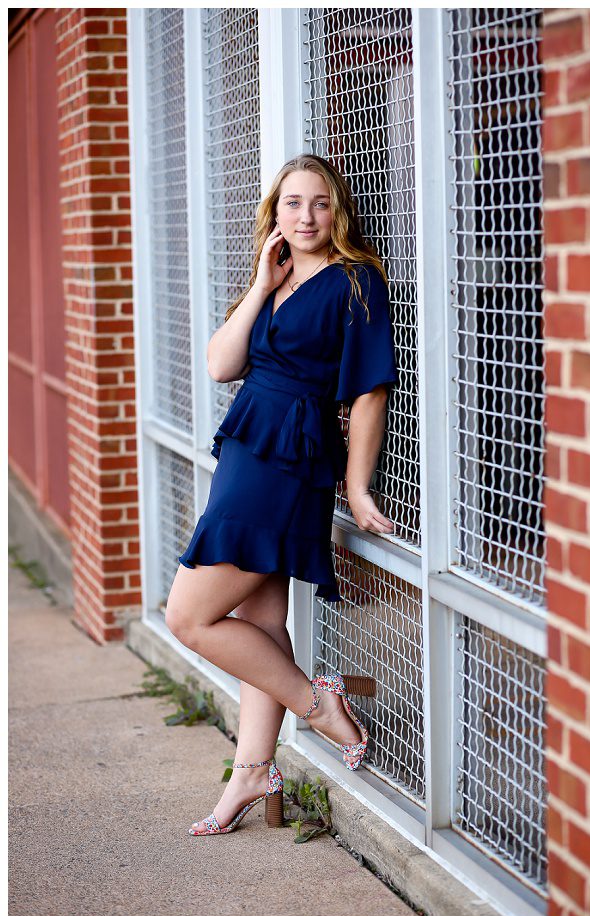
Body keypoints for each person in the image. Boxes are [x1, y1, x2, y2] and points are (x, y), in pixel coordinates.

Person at [167, 153, 399, 837]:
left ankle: (315, 702)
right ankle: (252, 772)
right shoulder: (274, 278)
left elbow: (368, 391)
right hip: (245, 449)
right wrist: (260, 284)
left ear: (338, 213)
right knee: (262, 624)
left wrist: (355, 486)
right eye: (293, 204)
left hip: (291, 459)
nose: (306, 216)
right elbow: (221, 364)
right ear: (276, 214)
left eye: (320, 204)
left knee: (188, 617)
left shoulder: (357, 282)